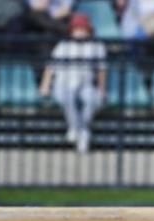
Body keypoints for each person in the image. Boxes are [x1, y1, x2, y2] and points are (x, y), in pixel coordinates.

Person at [39, 13, 107, 153]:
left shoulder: (97, 46)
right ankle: (80, 130)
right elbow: (51, 67)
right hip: (63, 83)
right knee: (68, 98)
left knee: (93, 99)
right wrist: (44, 85)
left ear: (88, 30)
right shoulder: (63, 45)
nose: (80, 32)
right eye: (77, 29)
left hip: (85, 85)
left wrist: (102, 89)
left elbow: (101, 70)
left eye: (83, 29)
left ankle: (79, 129)